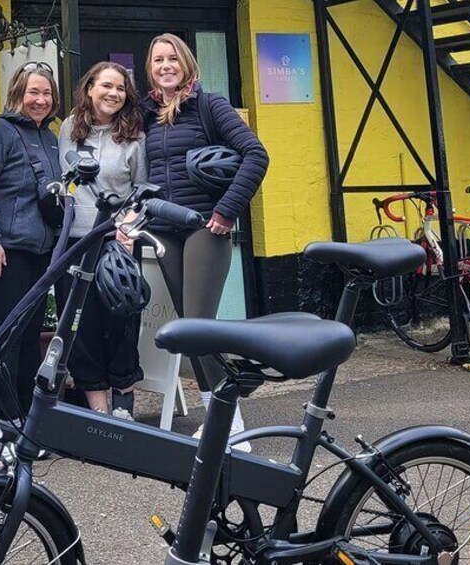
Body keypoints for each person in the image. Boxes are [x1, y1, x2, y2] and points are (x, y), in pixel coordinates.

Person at [142, 34, 269, 450]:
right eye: (158, 60)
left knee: (197, 324)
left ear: (186, 63)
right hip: (165, 230)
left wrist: (226, 210)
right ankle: (222, 417)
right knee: (185, 327)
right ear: (150, 68)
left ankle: (230, 422)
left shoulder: (209, 105)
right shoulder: (148, 113)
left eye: (172, 58)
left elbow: (256, 154)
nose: (165, 66)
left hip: (204, 228)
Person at [0, 62, 61, 421]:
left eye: (47, 93)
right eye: (33, 92)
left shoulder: (50, 138)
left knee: (30, 336)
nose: (40, 100)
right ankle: (4, 421)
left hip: (41, 253)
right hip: (5, 253)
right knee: (8, 338)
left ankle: (28, 419)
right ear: (17, 94)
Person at [57, 61, 147, 419]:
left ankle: (123, 408)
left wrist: (129, 227)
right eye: (107, 85)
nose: (113, 93)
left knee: (121, 325)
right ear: (90, 88)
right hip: (75, 243)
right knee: (82, 326)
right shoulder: (68, 129)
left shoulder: (134, 135)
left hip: (117, 241)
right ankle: (99, 413)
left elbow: (142, 190)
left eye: (121, 88)